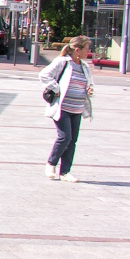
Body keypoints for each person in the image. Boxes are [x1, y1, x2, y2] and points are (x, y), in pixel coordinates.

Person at [40, 35, 95, 182]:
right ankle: (51, 163)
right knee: (65, 137)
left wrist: (90, 89)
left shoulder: (84, 66)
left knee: (72, 140)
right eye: (87, 48)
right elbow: (44, 75)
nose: (88, 51)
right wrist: (56, 88)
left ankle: (65, 172)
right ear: (78, 50)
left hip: (76, 109)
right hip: (62, 107)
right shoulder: (62, 62)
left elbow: (89, 83)